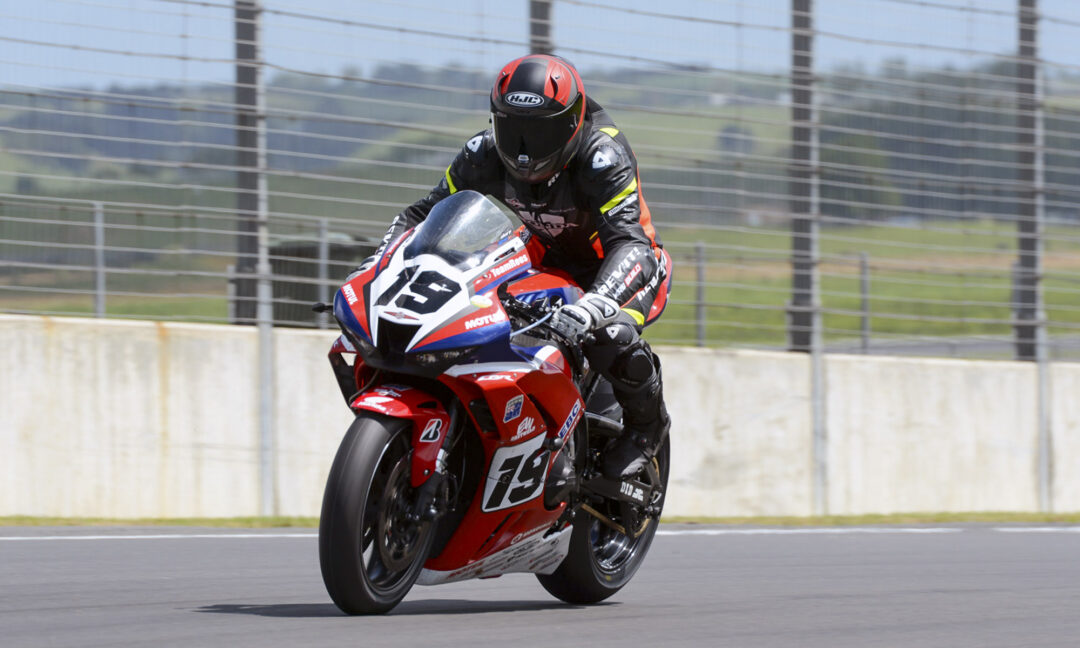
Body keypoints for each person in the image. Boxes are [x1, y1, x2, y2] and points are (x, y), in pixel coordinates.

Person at [368, 54, 672, 480]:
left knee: (607, 331)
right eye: (514, 129)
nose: (525, 150)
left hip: (625, 265)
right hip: (546, 261)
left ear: (572, 123)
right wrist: (377, 264)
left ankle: (647, 429)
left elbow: (629, 241)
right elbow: (423, 216)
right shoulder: (484, 153)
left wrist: (595, 303)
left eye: (541, 131)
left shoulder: (602, 156)